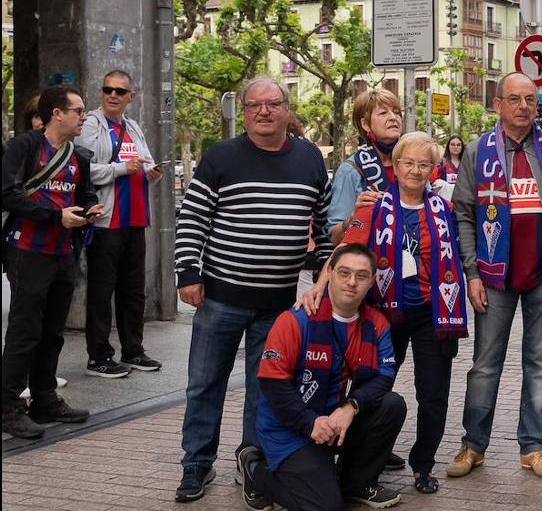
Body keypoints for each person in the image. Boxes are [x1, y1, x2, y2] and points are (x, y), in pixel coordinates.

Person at [174, 77, 332, 505]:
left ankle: (253, 463)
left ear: (286, 108)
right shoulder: (221, 157)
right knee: (204, 384)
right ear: (243, 111)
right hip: (220, 298)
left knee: (263, 390)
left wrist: (326, 278)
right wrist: (188, 273)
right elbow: (192, 219)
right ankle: (196, 463)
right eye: (254, 105)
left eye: (273, 104)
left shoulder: (310, 159)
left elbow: (322, 223)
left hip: (278, 304)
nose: (264, 111)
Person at [447, 73, 542, 480]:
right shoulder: (479, 152)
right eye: (515, 99)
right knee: (485, 365)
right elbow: (463, 214)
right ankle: (473, 445)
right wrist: (472, 272)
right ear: (498, 105)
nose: (525, 106)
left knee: (540, 364)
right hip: (494, 277)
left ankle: (533, 447)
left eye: (531, 99)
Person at [317, 130, 470, 493]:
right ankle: (357, 460)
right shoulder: (373, 205)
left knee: (433, 393)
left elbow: (466, 251)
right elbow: (345, 252)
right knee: (372, 387)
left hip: (435, 315)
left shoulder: (444, 209)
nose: (416, 171)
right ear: (396, 166)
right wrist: (318, 290)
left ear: (433, 169)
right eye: (408, 163)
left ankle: (423, 465)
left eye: (424, 164)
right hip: (385, 314)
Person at [240, 243, 404, 511]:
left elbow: (384, 377)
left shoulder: (376, 323)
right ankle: (255, 470)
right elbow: (272, 382)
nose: (352, 282)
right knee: (325, 506)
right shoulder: (294, 320)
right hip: (291, 427)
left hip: (334, 419)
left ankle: (356, 483)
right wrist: (309, 423)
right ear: (330, 272)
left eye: (361, 276)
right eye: (344, 273)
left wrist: (351, 408)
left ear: (371, 281)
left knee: (392, 405)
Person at [1, 85, 101, 439]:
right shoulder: (23, 147)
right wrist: (55, 216)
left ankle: (44, 397)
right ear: (57, 113)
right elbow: (9, 194)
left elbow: (84, 194)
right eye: (78, 110)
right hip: (28, 250)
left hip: (63, 253)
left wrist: (90, 210)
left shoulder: (80, 156)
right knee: (25, 329)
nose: (83, 117)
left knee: (52, 331)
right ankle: (9, 406)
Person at [77, 69, 164, 379]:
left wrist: (153, 172)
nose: (112, 95)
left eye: (119, 91)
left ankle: (133, 350)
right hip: (105, 221)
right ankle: (98, 356)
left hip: (135, 219)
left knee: (133, 290)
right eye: (107, 89)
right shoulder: (90, 126)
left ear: (131, 97)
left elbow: (147, 163)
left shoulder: (134, 127)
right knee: (102, 292)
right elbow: (84, 171)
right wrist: (121, 168)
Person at [327, 89, 403, 244]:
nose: (393, 118)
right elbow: (335, 237)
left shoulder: (411, 164)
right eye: (383, 113)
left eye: (396, 112)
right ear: (365, 124)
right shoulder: (351, 170)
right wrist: (355, 215)